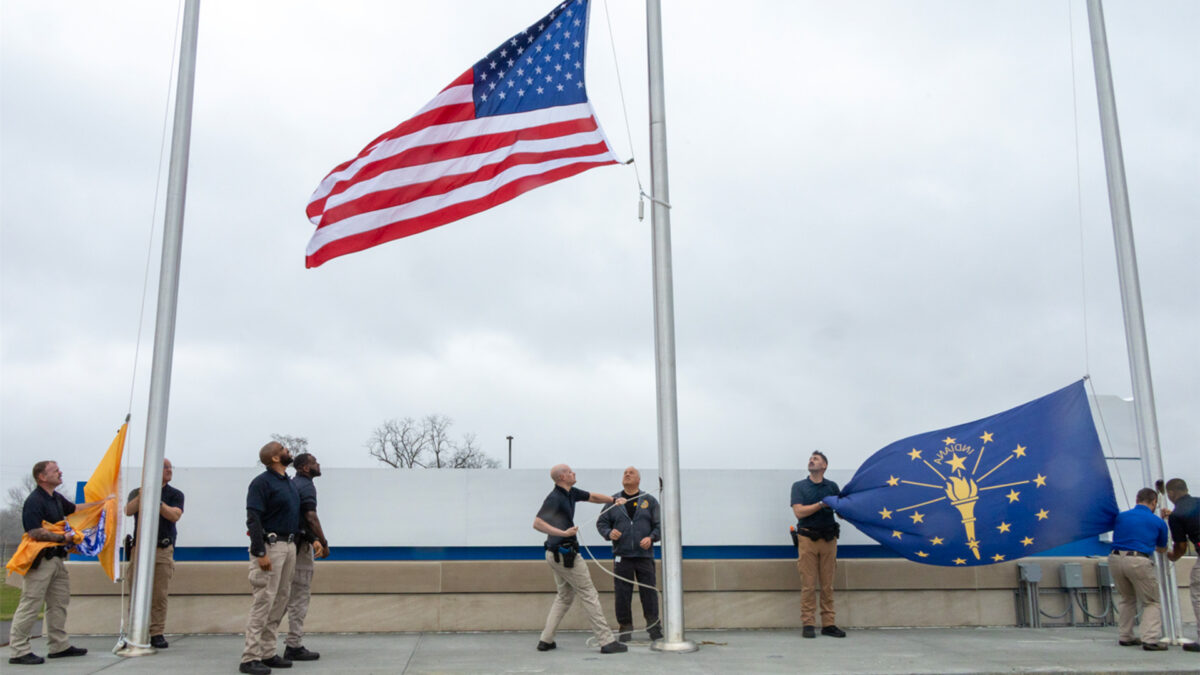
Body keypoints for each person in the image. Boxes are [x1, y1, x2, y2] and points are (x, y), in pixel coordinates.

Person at [533, 464, 628, 654]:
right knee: (589, 593)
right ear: (561, 478)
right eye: (569, 472)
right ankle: (606, 641)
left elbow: (592, 497)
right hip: (564, 555)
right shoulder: (555, 498)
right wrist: (563, 532)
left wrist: (614, 499)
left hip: (556, 554)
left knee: (564, 597)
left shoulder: (571, 492)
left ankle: (546, 640)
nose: (573, 473)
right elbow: (537, 523)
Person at [8, 461, 89, 665]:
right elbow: (34, 532)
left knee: (59, 603)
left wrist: (104, 503)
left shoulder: (56, 498)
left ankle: (58, 646)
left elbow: (75, 508)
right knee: (31, 604)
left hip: (58, 561)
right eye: (55, 470)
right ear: (42, 477)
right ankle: (18, 650)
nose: (60, 472)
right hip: (41, 561)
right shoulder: (34, 501)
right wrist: (64, 539)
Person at [239, 442, 301, 675]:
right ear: (275, 458)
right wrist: (260, 551)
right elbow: (253, 518)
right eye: (284, 449)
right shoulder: (261, 483)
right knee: (264, 600)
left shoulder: (288, 483)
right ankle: (250, 657)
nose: (288, 451)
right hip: (270, 546)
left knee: (280, 600)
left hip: (290, 545)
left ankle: (267, 652)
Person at [596, 466, 662, 642]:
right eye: (625, 473)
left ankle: (654, 628)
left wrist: (652, 537)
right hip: (622, 556)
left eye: (631, 473)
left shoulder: (649, 500)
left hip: (644, 556)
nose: (627, 474)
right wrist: (609, 533)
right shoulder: (614, 501)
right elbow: (601, 523)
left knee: (648, 592)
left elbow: (660, 525)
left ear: (638, 480)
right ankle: (625, 628)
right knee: (622, 594)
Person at [124, 458, 185, 649]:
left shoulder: (175, 494)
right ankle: (134, 631)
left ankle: (156, 632)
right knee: (136, 593)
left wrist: (156, 500)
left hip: (162, 550)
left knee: (159, 594)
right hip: (139, 551)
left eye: (170, 467)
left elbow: (174, 515)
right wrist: (145, 494)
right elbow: (127, 510)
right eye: (164, 467)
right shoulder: (137, 492)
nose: (169, 470)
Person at [790, 450, 846, 639]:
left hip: (829, 539)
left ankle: (828, 624)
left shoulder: (832, 487)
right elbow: (799, 512)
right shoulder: (799, 486)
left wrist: (845, 503)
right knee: (808, 584)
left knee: (828, 585)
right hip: (807, 539)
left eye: (816, 459)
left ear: (824, 466)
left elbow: (841, 512)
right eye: (810, 459)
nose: (811, 461)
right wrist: (821, 504)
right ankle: (808, 624)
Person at [1110, 487, 1169, 651]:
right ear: (1154, 502)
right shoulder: (1157, 522)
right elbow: (1162, 547)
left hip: (1115, 558)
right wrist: (1164, 521)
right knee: (1151, 601)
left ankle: (1125, 636)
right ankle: (1150, 639)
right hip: (1138, 560)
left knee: (1127, 598)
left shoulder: (1121, 517)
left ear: (1137, 500)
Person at [284, 452, 329, 662]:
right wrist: (323, 541)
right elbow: (310, 517)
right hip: (299, 549)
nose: (318, 464)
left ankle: (263, 647)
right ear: (304, 468)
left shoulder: (292, 485)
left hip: (289, 545)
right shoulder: (306, 486)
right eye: (314, 462)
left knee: (281, 597)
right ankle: (293, 645)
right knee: (299, 595)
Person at [1163, 478, 1200, 653]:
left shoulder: (1177, 515)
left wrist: (1172, 556)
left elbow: (1181, 546)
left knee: (1199, 596)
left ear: (1171, 493)